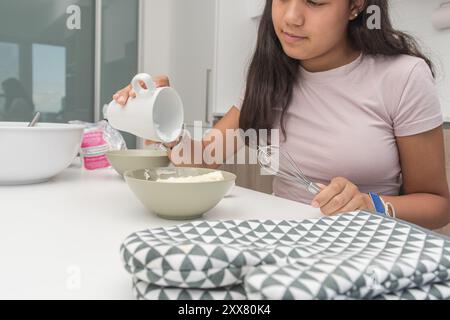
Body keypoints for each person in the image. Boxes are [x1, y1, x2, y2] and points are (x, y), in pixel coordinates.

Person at [113, 0, 450, 230]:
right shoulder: (268, 76)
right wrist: (160, 117)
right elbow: (203, 159)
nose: (291, 17)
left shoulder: (403, 76)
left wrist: (370, 205)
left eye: (315, 2)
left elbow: (437, 205)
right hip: (282, 244)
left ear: (356, 6)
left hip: (365, 250)